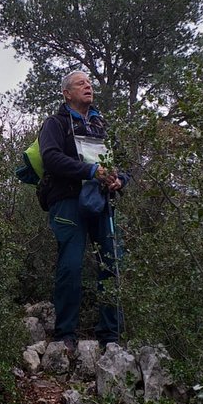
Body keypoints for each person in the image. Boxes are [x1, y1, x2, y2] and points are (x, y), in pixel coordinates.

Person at [39, 70, 130, 352]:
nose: (88, 86)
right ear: (67, 93)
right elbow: (51, 157)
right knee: (71, 265)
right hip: (67, 201)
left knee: (112, 264)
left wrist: (120, 179)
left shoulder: (102, 124)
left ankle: (111, 337)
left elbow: (123, 161)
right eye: (81, 84)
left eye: (89, 83)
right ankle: (65, 335)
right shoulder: (56, 123)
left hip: (102, 202)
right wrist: (90, 170)